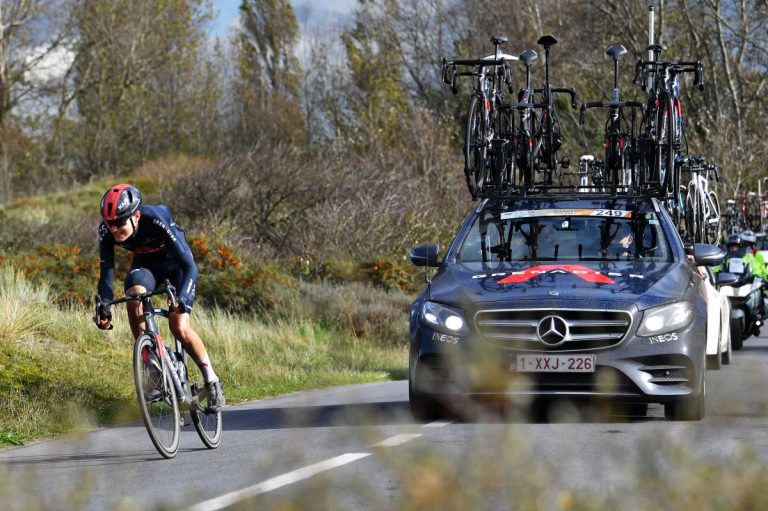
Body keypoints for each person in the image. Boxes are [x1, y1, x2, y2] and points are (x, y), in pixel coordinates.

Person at [93, 184, 225, 411]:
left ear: (135, 216)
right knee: (133, 297)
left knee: (179, 326)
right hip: (147, 267)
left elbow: (189, 265)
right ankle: (152, 364)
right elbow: (106, 275)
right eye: (109, 223)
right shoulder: (107, 232)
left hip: (178, 266)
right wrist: (103, 305)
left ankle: (212, 381)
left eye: (119, 223)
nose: (114, 229)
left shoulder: (155, 218)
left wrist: (182, 296)